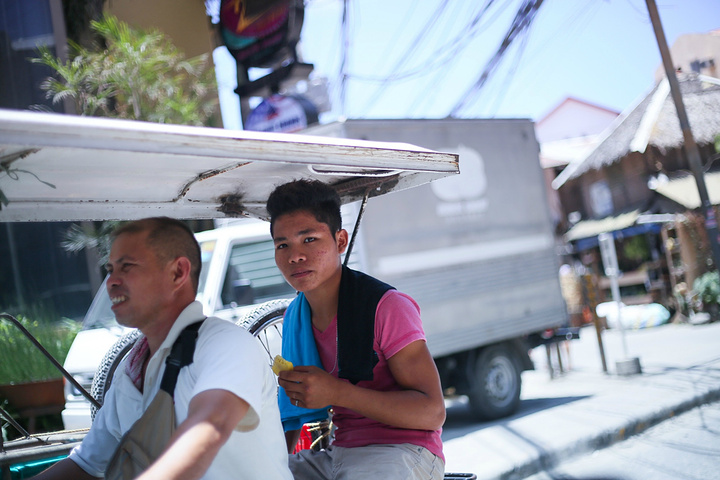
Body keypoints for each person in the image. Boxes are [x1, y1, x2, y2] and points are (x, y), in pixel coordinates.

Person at [33, 217, 292, 480]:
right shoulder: (131, 371)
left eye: (127, 267)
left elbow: (209, 428)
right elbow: (86, 463)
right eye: (111, 269)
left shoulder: (225, 343)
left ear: (178, 272)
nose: (111, 281)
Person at [267, 180, 446, 479]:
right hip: (339, 452)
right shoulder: (295, 316)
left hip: (402, 451)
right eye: (282, 244)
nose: (294, 256)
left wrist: (337, 392)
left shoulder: (385, 307)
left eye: (309, 239)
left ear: (340, 241)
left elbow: (432, 412)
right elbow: (290, 416)